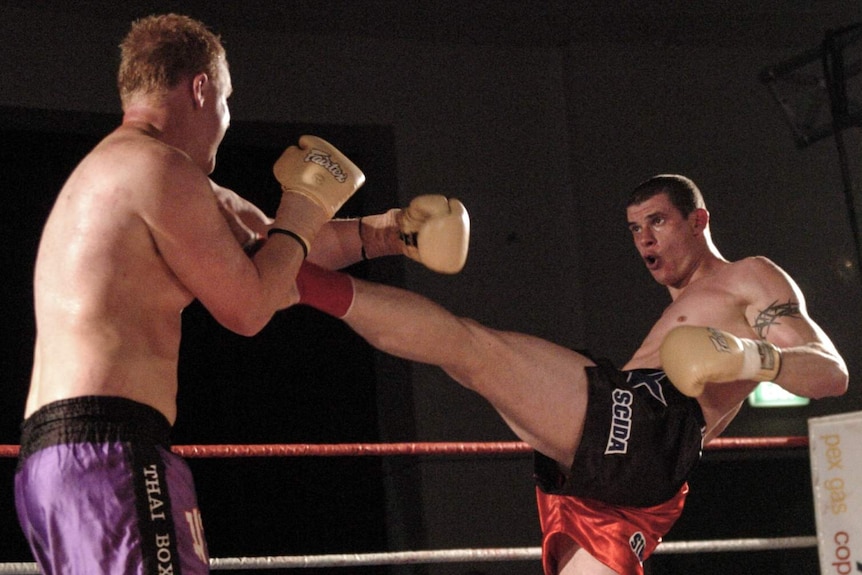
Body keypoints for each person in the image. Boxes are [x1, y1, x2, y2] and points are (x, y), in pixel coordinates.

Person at [14, 13, 469, 575]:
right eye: (227, 101)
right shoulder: (159, 170)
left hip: (65, 459)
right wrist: (302, 206)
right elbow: (251, 306)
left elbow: (275, 250)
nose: (226, 123)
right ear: (201, 88)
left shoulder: (127, 170)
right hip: (108, 451)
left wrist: (387, 233)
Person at [288, 174, 848, 574]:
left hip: (645, 431)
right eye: (634, 229)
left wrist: (750, 356)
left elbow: (831, 373)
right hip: (629, 483)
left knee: (473, 351)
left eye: (658, 221)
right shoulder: (684, 302)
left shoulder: (747, 276)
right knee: (470, 358)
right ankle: (300, 274)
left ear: (698, 220)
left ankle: (297, 281)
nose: (645, 240)